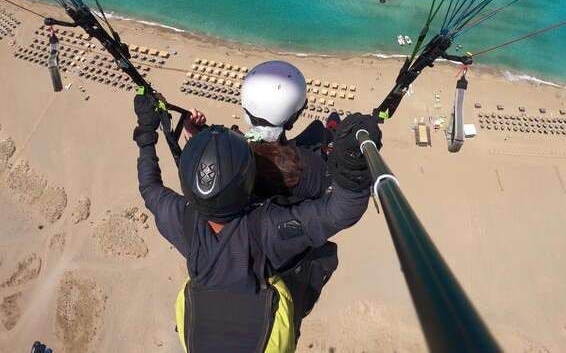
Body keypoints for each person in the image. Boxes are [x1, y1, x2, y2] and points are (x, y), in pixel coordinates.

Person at [134, 94, 381, 352]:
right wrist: (353, 163)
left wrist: (147, 132)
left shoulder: (182, 222)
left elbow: (150, 188)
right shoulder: (268, 230)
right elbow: (340, 212)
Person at [184, 60, 338, 199]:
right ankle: (332, 133)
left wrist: (192, 132)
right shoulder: (310, 167)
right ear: (293, 118)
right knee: (319, 129)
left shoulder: (230, 153)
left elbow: (205, 160)